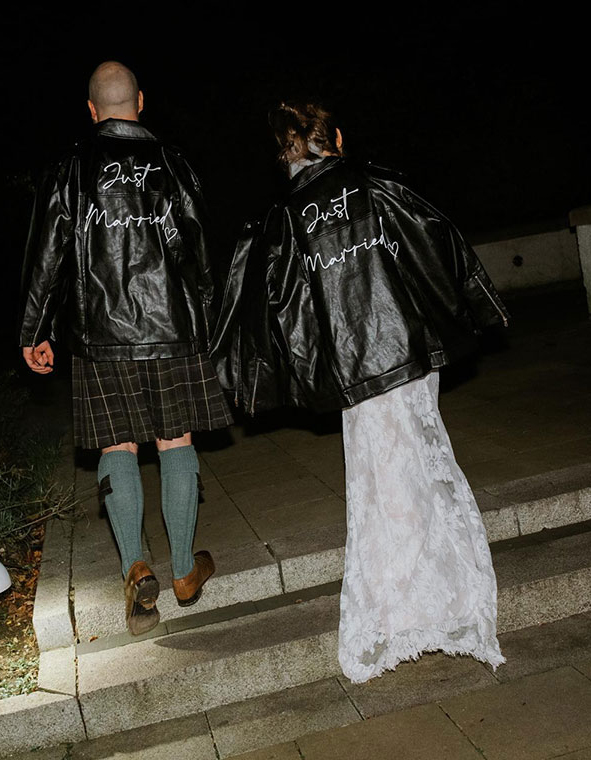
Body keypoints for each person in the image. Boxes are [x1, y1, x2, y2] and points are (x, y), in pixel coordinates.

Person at [214, 101, 508, 682]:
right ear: (337, 138)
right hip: (409, 353)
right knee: (420, 460)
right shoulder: (379, 186)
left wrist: (268, 377)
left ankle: (410, 599)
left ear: (285, 154)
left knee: (380, 474)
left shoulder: (284, 219)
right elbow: (440, 240)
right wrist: (476, 305)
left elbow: (269, 307)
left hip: (356, 368)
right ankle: (435, 594)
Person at [20, 61, 232, 636]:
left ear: (92, 111)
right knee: (175, 440)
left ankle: (136, 568)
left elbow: (47, 254)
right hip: (171, 331)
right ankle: (185, 570)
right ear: (141, 100)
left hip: (100, 336)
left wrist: (33, 329)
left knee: (117, 446)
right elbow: (203, 253)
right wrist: (214, 321)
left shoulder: (71, 169)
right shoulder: (175, 162)